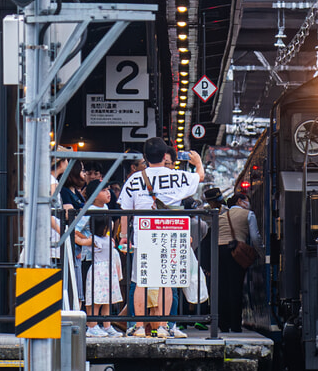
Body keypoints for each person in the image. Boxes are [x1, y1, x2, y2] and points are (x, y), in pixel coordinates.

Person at [117, 137, 204, 339]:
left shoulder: (135, 179)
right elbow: (199, 177)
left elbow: (124, 210)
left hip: (144, 233)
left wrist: (123, 236)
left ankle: (139, 327)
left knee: (141, 282)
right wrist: (198, 163)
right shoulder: (177, 177)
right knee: (166, 281)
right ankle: (163, 326)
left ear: (145, 157)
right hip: (170, 234)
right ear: (165, 156)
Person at [72, 181, 120, 335]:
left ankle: (105, 326)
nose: (108, 193)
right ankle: (92, 326)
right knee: (93, 293)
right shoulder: (88, 210)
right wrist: (86, 243)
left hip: (102, 253)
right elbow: (75, 230)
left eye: (108, 190)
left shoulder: (105, 207)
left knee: (104, 293)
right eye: (104, 190)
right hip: (89, 256)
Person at [217, 190, 261, 333]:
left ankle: (223, 325)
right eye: (246, 200)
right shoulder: (248, 214)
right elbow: (255, 237)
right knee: (235, 288)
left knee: (223, 288)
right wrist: (260, 252)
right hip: (237, 251)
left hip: (219, 251)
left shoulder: (221, 216)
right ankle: (235, 325)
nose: (248, 203)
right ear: (239, 201)